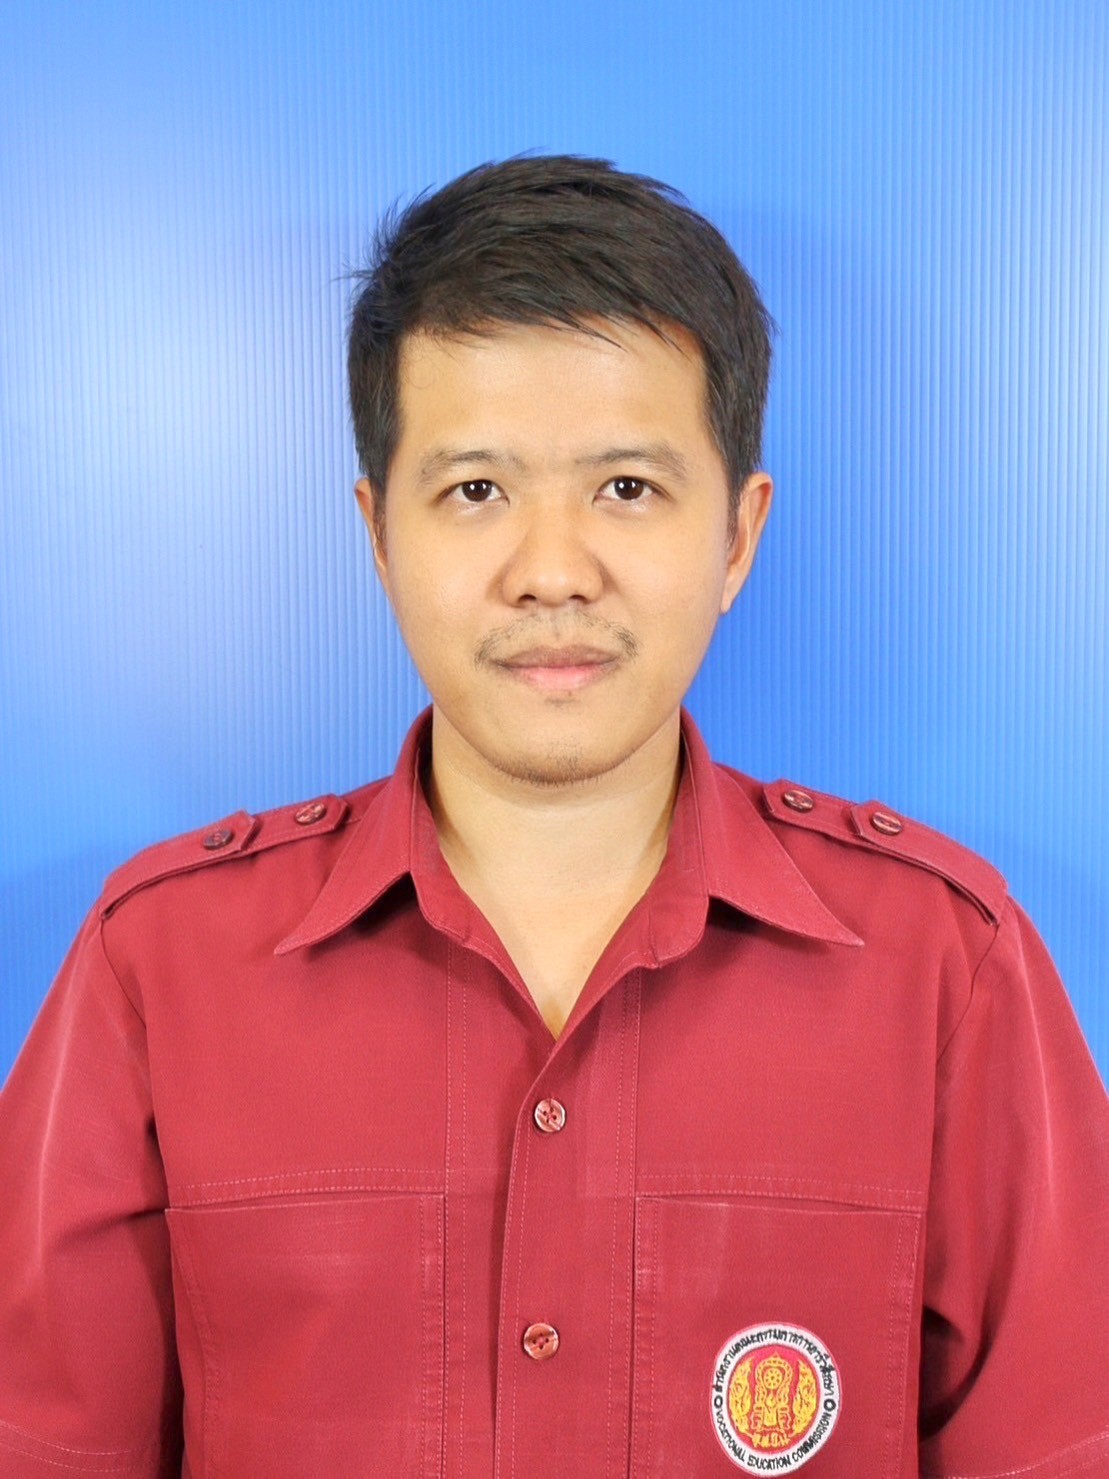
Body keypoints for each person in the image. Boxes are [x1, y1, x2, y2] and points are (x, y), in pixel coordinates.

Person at [0, 153, 1106, 1478]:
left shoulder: (945, 967)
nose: (551, 573)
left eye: (626, 488)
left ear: (737, 535)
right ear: (379, 534)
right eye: (476, 490)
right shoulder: (159, 964)